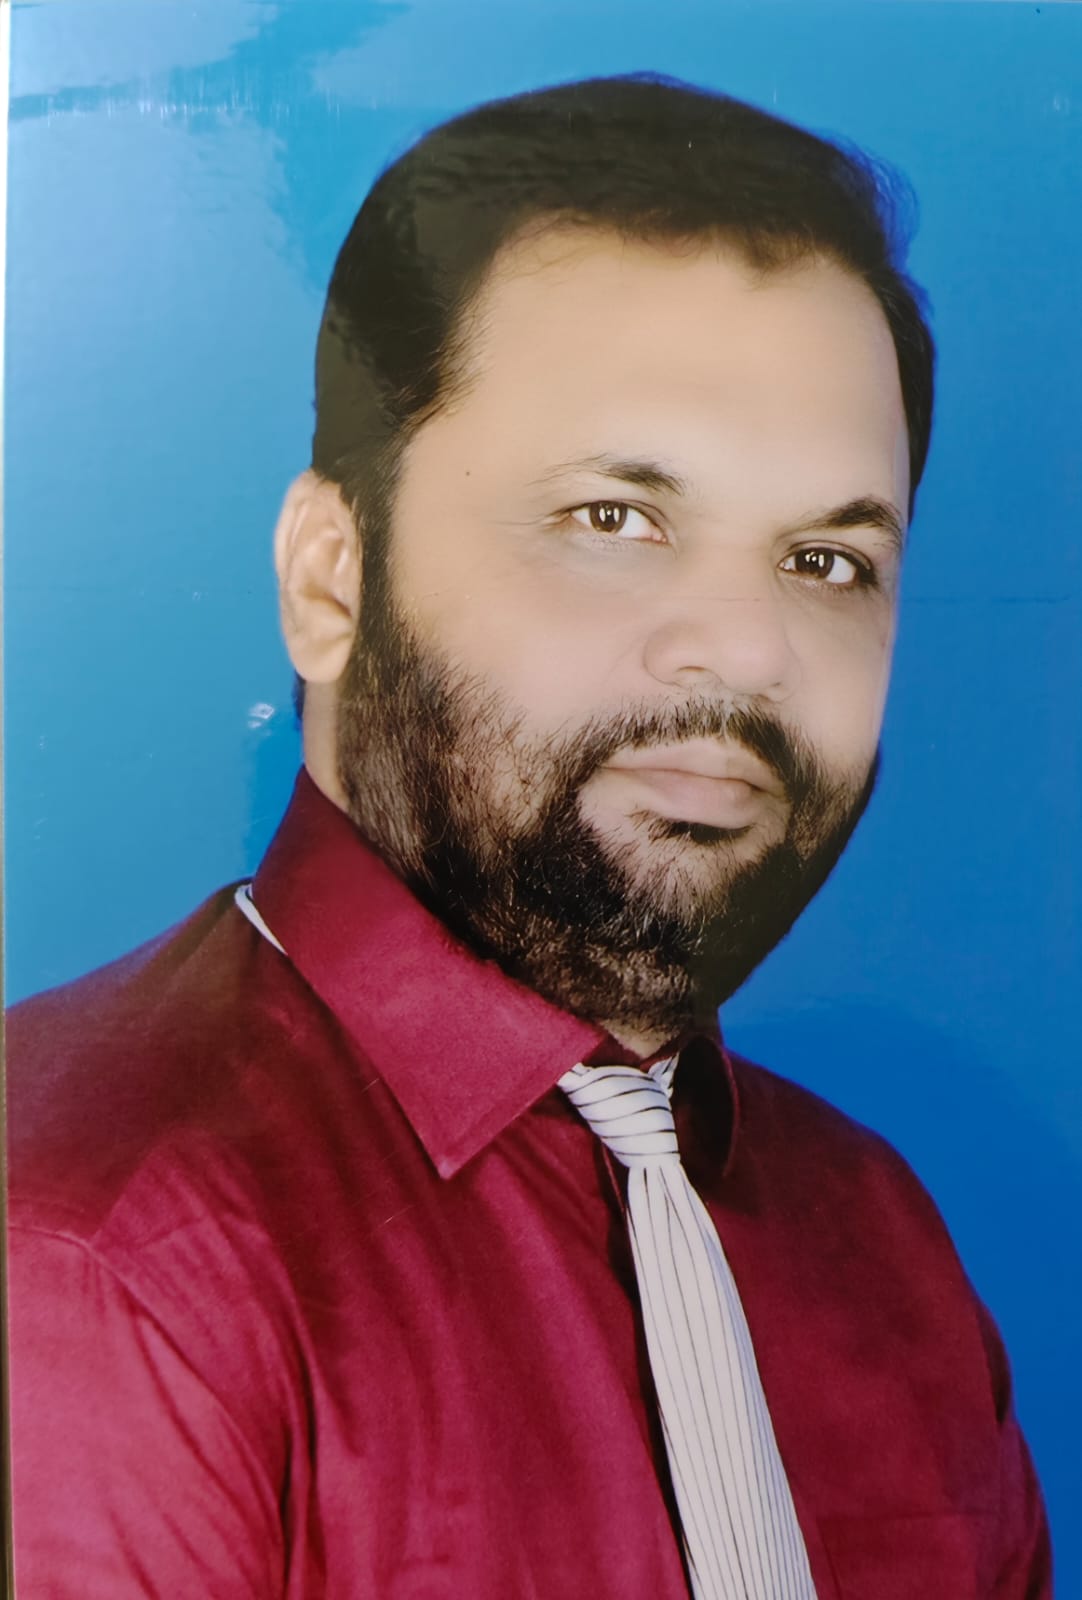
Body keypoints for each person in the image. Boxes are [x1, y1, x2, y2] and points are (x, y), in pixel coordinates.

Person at [6, 75, 1052, 1598]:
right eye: (613, 520)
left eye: (827, 560)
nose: (746, 648)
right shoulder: (85, 1256)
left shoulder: (879, 1247)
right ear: (330, 580)